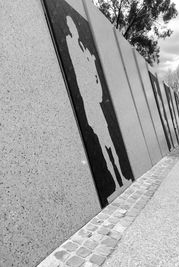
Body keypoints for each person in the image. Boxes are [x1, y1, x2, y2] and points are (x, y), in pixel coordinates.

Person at [66, 16, 130, 193]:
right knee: (103, 144)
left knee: (109, 139)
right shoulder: (71, 42)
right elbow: (79, 71)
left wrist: (92, 62)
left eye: (74, 25)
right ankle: (115, 181)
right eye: (70, 25)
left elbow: (92, 74)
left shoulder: (84, 47)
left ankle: (121, 178)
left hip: (96, 98)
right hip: (89, 103)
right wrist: (88, 61)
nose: (74, 29)